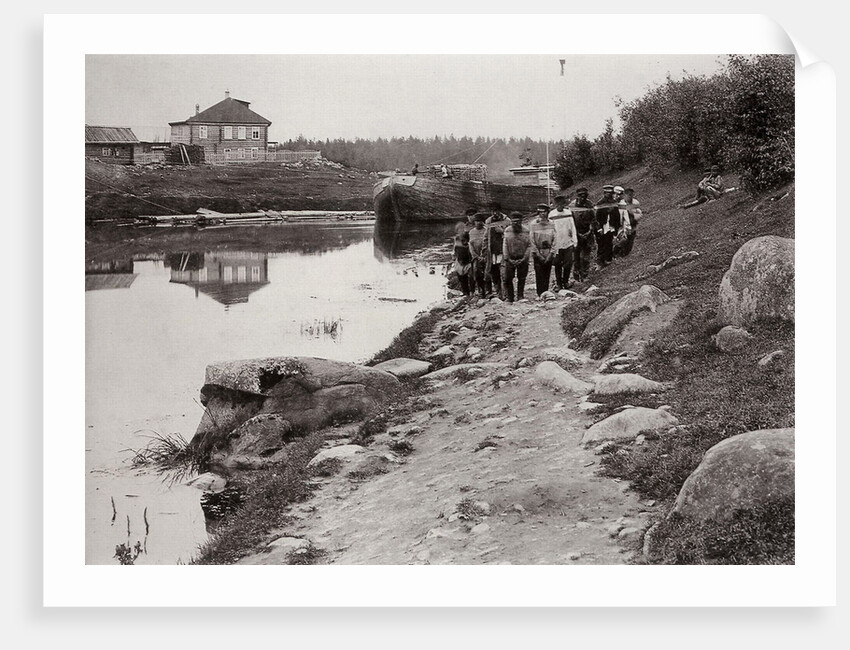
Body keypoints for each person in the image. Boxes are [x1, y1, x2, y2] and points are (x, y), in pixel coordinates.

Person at [501, 212, 532, 302]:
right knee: (508, 278)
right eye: (513, 222)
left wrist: (524, 258)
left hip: (522, 258)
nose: (515, 224)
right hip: (510, 259)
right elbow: (505, 245)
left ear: (521, 221)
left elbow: (529, 245)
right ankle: (510, 297)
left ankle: (520, 296)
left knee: (522, 278)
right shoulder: (507, 230)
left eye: (517, 222)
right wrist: (507, 258)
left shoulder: (526, 231)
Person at [549, 195, 577, 290]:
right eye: (558, 204)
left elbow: (573, 227)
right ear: (555, 205)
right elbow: (550, 230)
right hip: (557, 243)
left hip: (568, 242)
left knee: (568, 263)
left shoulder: (568, 213)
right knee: (557, 264)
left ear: (564, 204)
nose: (560, 206)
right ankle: (559, 283)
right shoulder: (552, 215)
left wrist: (574, 241)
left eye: (562, 204)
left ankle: (565, 281)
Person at [529, 203, 557, 296]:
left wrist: (551, 253)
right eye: (540, 212)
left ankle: (545, 292)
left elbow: (555, 239)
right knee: (539, 273)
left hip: (548, 251)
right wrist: (537, 254)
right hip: (538, 251)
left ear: (547, 212)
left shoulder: (551, 223)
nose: (542, 214)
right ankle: (539, 293)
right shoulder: (534, 224)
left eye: (544, 212)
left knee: (547, 272)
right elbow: (532, 240)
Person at [569, 188, 595, 282]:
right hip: (576, 233)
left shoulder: (589, 204)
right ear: (577, 196)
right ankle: (576, 275)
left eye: (584, 195)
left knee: (586, 256)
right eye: (580, 195)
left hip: (588, 233)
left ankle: (585, 275)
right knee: (576, 256)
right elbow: (570, 222)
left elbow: (593, 219)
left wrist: (590, 231)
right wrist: (577, 233)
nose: (582, 197)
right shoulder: (572, 205)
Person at [594, 185, 622, 268]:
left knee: (609, 242)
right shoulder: (600, 203)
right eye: (607, 193)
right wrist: (599, 228)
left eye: (610, 193)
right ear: (604, 193)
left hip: (611, 225)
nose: (608, 195)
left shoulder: (613, 202)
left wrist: (617, 226)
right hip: (603, 226)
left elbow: (617, 215)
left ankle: (608, 259)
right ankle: (600, 261)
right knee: (601, 243)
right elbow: (597, 217)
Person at [485, 201, 508, 299]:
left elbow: (511, 235)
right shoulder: (488, 221)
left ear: (500, 211)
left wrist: (502, 232)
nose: (494, 213)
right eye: (492, 211)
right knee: (494, 274)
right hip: (492, 252)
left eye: (496, 211)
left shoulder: (507, 220)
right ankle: (499, 294)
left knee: (504, 274)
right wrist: (484, 249)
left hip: (503, 251)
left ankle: (506, 294)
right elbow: (486, 237)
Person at [468, 213, 489, 297]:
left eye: (480, 221)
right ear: (474, 222)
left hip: (486, 256)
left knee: (487, 273)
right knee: (477, 273)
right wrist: (476, 256)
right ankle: (481, 290)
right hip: (476, 257)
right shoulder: (471, 232)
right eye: (476, 221)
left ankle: (488, 291)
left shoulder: (486, 230)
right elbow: (471, 245)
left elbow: (488, 244)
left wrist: (484, 255)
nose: (478, 223)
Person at [615, 188, 642, 257]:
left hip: (632, 224)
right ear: (625, 195)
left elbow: (638, 212)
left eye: (631, 195)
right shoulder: (620, 204)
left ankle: (624, 254)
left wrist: (635, 216)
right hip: (623, 225)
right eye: (628, 195)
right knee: (623, 240)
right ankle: (615, 254)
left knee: (630, 241)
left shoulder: (635, 202)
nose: (630, 196)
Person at [452, 230, 473, 296]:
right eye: (462, 240)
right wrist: (454, 257)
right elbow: (454, 253)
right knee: (461, 277)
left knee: (471, 277)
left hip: (468, 263)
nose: (464, 242)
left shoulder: (470, 246)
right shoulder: (457, 245)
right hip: (459, 262)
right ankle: (465, 292)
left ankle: (472, 291)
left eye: (465, 240)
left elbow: (472, 254)